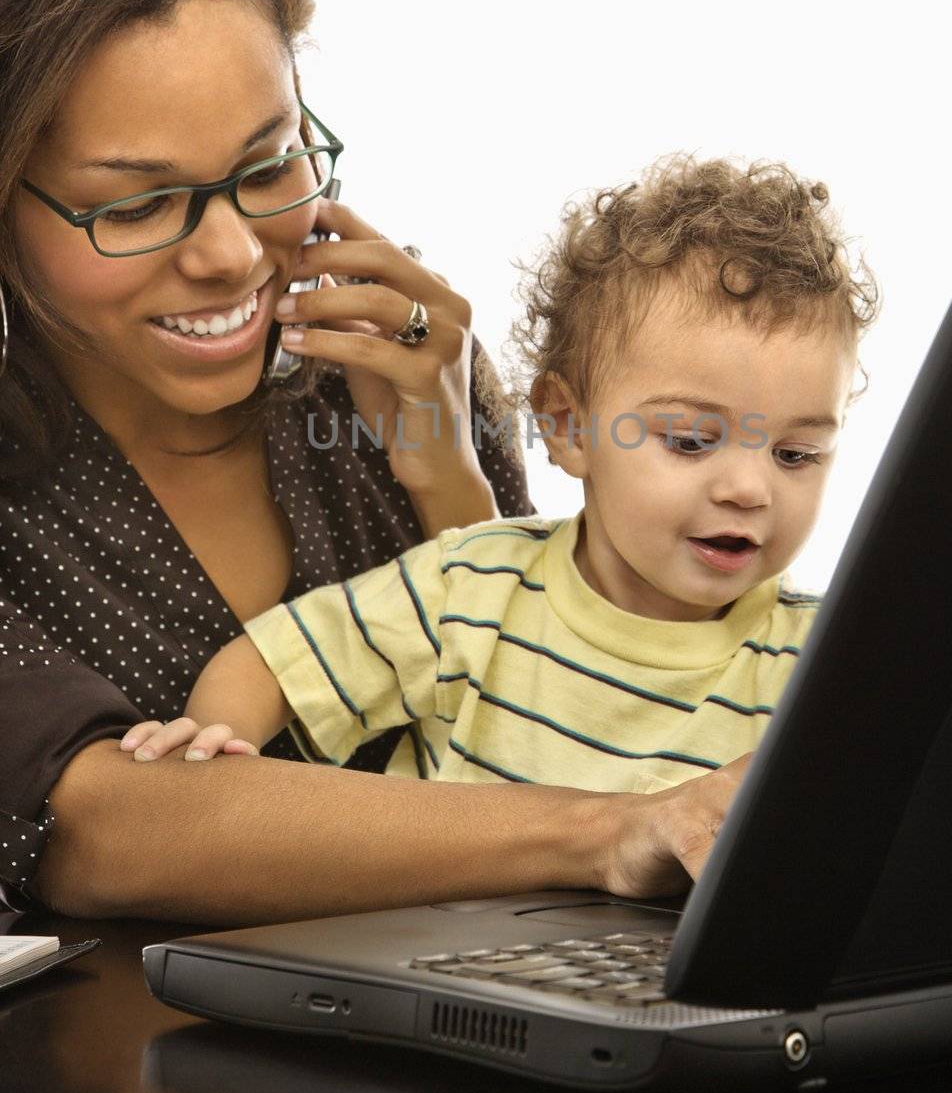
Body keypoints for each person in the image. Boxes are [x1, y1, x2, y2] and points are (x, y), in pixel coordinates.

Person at [0, 0, 841, 926]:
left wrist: (451, 478)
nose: (231, 253)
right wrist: (612, 826)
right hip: (109, 1075)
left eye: (268, 164)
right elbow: (91, 828)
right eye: (137, 203)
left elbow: (516, 672)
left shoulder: (389, 370)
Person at [118, 153, 878, 798]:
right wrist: (213, 748)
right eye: (689, 441)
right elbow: (274, 663)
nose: (749, 489)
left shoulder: (823, 661)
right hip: (428, 959)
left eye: (795, 455)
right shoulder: (470, 584)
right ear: (567, 425)